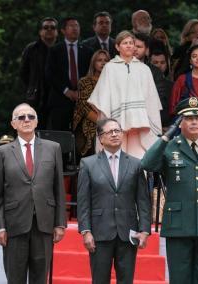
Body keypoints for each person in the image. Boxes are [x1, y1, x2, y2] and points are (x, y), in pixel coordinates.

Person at [141, 97, 198, 284]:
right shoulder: (169, 146)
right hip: (178, 226)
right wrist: (166, 136)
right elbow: (147, 164)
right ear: (180, 122)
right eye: (189, 118)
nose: (194, 122)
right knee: (179, 279)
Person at [0, 103, 67, 284]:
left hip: (44, 224)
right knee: (15, 278)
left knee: (40, 278)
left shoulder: (53, 148)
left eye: (31, 116)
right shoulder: (1, 152)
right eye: (21, 117)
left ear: (37, 121)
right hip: (14, 225)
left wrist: (60, 223)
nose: (26, 120)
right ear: (13, 124)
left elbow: (59, 189)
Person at [77, 118, 151, 284]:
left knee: (126, 280)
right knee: (100, 280)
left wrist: (145, 229)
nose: (115, 134)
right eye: (110, 132)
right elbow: (83, 201)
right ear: (100, 138)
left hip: (128, 232)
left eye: (117, 131)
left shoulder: (136, 164)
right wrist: (85, 231)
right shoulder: (88, 164)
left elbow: (143, 200)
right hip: (99, 233)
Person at [88, 30, 162, 159]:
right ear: (117, 47)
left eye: (131, 43)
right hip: (117, 125)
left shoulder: (144, 69)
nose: (128, 45)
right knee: (116, 161)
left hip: (139, 126)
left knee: (139, 163)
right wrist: (107, 122)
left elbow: (151, 100)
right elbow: (101, 100)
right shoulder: (110, 68)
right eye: (124, 43)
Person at [45, 17, 93, 131]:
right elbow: (50, 74)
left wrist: (81, 92)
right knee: (60, 138)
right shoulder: (54, 50)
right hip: (60, 100)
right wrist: (67, 91)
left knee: (81, 138)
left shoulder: (88, 51)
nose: (75, 28)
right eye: (71, 26)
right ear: (63, 30)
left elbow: (90, 74)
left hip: (83, 101)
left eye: (77, 26)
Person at [20, 17, 58, 129]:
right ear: (40, 31)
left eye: (52, 27)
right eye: (46, 27)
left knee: (56, 132)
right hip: (36, 98)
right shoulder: (31, 49)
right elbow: (23, 73)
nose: (49, 30)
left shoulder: (61, 49)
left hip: (57, 97)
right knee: (35, 130)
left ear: (57, 32)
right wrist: (32, 88)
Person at [73, 49, 110, 157]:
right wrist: (102, 122)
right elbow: (84, 106)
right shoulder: (85, 81)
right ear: (93, 63)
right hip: (91, 122)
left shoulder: (113, 82)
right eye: (99, 60)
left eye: (106, 60)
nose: (103, 63)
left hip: (110, 120)